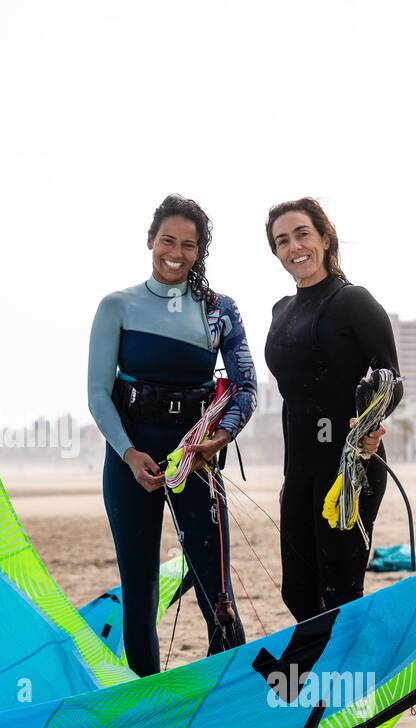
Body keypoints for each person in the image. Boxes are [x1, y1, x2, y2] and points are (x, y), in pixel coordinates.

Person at [87, 194, 258, 676]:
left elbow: (246, 386)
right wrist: (129, 453)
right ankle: (150, 704)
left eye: (189, 244)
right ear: (150, 241)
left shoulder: (219, 311)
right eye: (168, 240)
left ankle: (225, 695)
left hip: (196, 459)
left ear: (200, 251)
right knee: (138, 594)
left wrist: (219, 439)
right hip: (130, 460)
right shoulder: (117, 306)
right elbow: (98, 394)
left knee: (216, 590)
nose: (176, 253)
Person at [264, 197, 404, 622]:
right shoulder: (280, 311)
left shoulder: (353, 301)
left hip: (350, 469)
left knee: (340, 590)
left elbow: (390, 377)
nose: (294, 247)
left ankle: (350, 681)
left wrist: (370, 424)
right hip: (300, 469)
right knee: (298, 593)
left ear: (325, 238)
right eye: (282, 240)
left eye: (302, 234)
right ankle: (325, 680)